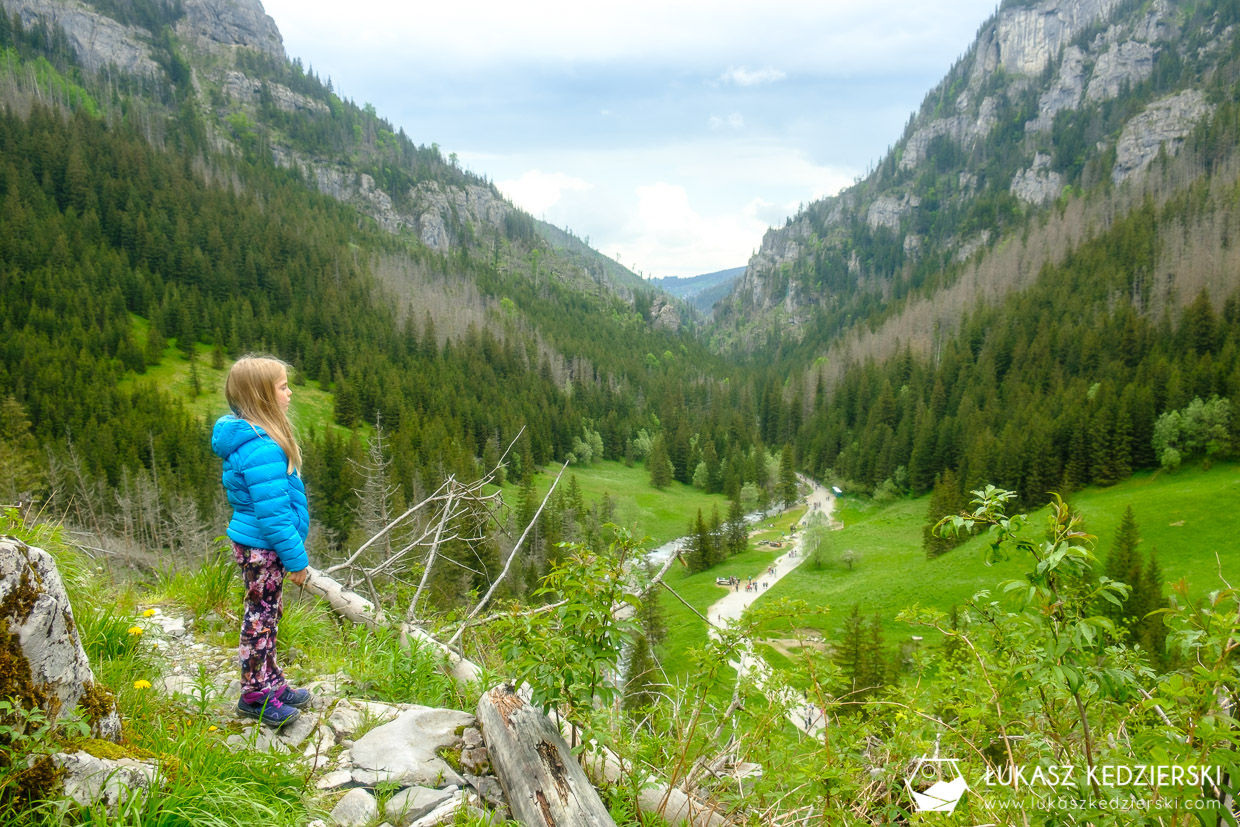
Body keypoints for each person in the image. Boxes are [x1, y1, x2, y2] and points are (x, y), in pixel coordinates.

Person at [211, 355, 313, 728]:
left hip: (258, 545)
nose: (289, 393)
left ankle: (271, 682)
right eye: (283, 387)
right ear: (263, 397)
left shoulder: (251, 440)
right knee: (260, 618)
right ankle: (254, 694)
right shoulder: (265, 449)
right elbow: (274, 516)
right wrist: (297, 560)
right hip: (264, 547)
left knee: (268, 614)